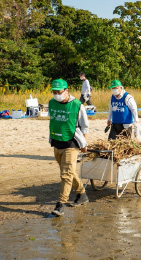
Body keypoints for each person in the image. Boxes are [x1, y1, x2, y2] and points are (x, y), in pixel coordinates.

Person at [49, 79, 89, 216]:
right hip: (57, 141)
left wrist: (84, 144)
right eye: (54, 92)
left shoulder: (77, 105)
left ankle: (60, 204)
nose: (56, 94)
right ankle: (82, 194)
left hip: (72, 143)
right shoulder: (52, 103)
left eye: (58, 92)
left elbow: (84, 126)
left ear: (66, 90)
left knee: (65, 174)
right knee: (69, 171)